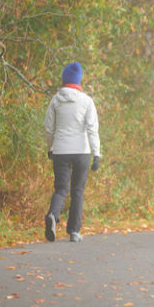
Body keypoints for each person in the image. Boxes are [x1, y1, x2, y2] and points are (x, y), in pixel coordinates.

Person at [44, 61, 101, 243]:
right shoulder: (87, 101)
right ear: (78, 80)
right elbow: (92, 129)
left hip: (60, 150)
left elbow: (48, 128)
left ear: (64, 79)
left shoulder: (55, 100)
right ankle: (74, 231)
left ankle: (53, 214)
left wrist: (50, 147)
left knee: (61, 188)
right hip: (81, 152)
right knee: (77, 191)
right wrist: (97, 154)